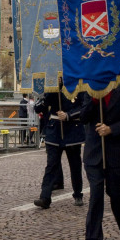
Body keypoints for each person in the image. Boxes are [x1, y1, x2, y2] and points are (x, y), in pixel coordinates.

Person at [79, 87, 120, 240]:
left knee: (116, 193)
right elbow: (83, 117)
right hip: (94, 153)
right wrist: (94, 101)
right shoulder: (90, 91)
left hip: (117, 153)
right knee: (96, 194)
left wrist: (112, 129)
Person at [33, 80, 86, 209]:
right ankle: (45, 197)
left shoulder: (78, 85)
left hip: (72, 130)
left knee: (75, 165)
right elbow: (39, 108)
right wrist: (51, 92)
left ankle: (78, 194)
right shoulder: (51, 87)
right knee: (51, 165)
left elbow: (84, 107)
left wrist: (69, 115)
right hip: (54, 131)